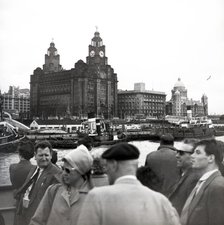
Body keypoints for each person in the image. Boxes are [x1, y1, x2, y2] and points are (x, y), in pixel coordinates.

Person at [77, 143, 181, 225]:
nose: (107, 171)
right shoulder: (161, 201)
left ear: (114, 165)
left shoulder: (96, 197)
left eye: (107, 166)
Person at [30, 144, 94, 225]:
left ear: (81, 171)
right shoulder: (53, 191)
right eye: (63, 169)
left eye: (68, 170)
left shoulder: (94, 196)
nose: (63, 173)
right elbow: (37, 221)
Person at [15, 140, 61, 225]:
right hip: (24, 215)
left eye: (46, 155)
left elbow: (56, 204)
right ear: (35, 156)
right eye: (40, 155)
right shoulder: (34, 169)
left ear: (51, 156)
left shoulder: (56, 173)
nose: (44, 158)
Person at [180, 139, 224, 225]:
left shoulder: (218, 186)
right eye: (193, 152)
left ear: (211, 158)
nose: (192, 156)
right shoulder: (204, 182)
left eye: (198, 152)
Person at [168, 139, 201, 215]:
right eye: (177, 151)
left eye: (181, 153)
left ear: (194, 156)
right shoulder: (184, 174)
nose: (176, 155)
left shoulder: (194, 179)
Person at [9, 140, 35, 225]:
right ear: (32, 154)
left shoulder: (12, 167)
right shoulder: (35, 169)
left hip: (17, 203)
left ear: (19, 154)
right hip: (31, 205)